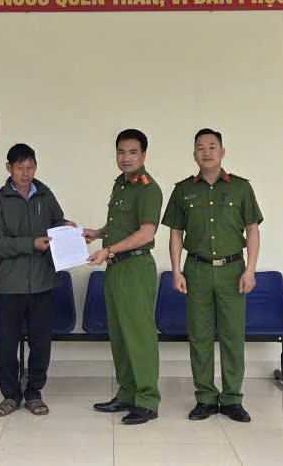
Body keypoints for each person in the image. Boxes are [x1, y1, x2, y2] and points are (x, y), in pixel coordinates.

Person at [161, 128, 263, 423]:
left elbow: (252, 230)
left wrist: (250, 269)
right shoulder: (183, 190)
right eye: (200, 148)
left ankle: (232, 399)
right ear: (194, 154)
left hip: (233, 270)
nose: (206, 152)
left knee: (233, 336)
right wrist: (176, 270)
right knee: (200, 336)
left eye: (212, 146)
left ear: (222, 151)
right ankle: (205, 398)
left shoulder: (241, 188)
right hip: (197, 270)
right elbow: (176, 233)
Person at [82, 129, 163, 425]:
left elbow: (146, 233)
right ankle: (127, 393)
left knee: (139, 335)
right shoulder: (121, 184)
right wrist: (98, 233)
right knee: (119, 335)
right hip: (115, 267)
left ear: (143, 155)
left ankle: (147, 400)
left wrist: (108, 249)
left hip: (135, 267)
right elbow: (122, 224)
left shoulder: (147, 188)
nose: (126, 158)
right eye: (121, 152)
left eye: (132, 152)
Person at [0, 143, 71, 417]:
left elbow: (56, 223)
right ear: (8, 168)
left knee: (41, 344)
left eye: (30, 167)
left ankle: (34, 393)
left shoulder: (45, 195)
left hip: (43, 283)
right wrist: (31, 243)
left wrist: (67, 229)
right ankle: (10, 395)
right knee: (6, 344)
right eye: (20, 167)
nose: (26, 173)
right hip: (9, 286)